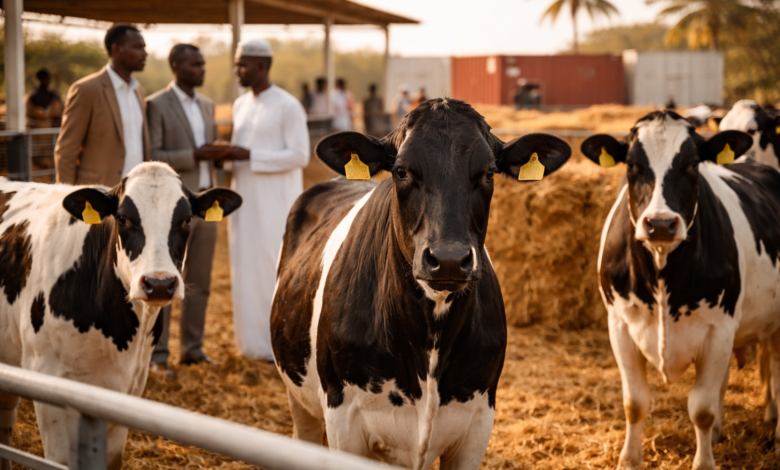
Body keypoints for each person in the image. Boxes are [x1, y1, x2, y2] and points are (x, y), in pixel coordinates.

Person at [221, 39, 309, 361]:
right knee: (244, 269)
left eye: (241, 64)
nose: (237, 71)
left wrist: (250, 155)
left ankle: (280, 345)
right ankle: (252, 345)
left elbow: (299, 155)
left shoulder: (288, 105)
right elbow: (240, 151)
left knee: (274, 269)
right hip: (243, 205)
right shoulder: (240, 105)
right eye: (236, 64)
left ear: (261, 66)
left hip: (275, 206)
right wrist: (227, 158)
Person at [145, 44, 227, 377]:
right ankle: (158, 354)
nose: (202, 69)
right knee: (165, 280)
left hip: (206, 204)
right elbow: (154, 152)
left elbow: (210, 151)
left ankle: (193, 350)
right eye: (195, 64)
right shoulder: (156, 104)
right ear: (176, 65)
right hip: (170, 209)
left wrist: (217, 156)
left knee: (201, 281)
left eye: (203, 63)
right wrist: (195, 155)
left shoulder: (208, 106)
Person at [55, 23, 149, 186]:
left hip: (137, 193)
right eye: (138, 47)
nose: (144, 53)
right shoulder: (86, 89)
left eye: (144, 47)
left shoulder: (139, 91)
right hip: (98, 194)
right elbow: (66, 150)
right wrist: (66, 197)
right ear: (117, 50)